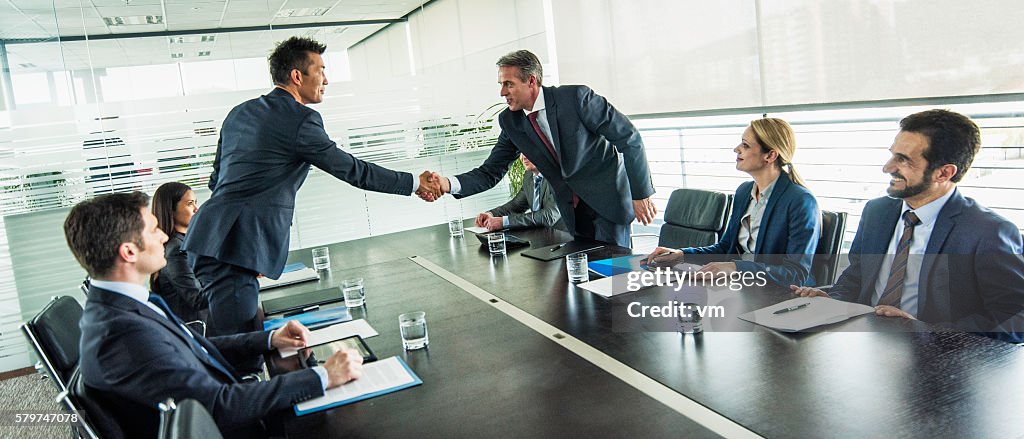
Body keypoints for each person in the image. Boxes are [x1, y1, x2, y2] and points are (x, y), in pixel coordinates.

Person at [181, 37, 442, 351]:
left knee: (244, 336)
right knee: (238, 349)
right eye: (320, 70)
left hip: (214, 238)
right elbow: (353, 171)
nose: (326, 79)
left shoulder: (240, 113)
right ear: (296, 76)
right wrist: (415, 182)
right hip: (233, 249)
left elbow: (216, 180)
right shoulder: (300, 119)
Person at [66, 192, 364, 439]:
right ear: (129, 252)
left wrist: (270, 338)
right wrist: (323, 376)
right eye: (154, 229)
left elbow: (193, 345)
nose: (162, 237)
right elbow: (218, 406)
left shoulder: (123, 305)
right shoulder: (122, 334)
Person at [792, 109, 1024, 342]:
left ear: (944, 173)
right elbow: (856, 277)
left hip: (937, 359)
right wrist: (832, 299)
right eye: (893, 155)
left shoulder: (988, 232)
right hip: (864, 343)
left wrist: (927, 329)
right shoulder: (876, 212)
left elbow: (1015, 320)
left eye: (903, 160)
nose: (888, 167)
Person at [421, 49, 657, 247]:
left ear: (531, 81)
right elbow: (490, 171)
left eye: (508, 84)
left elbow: (629, 138)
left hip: (608, 203)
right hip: (572, 212)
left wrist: (641, 194)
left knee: (614, 278)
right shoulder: (511, 121)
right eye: (501, 84)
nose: (502, 92)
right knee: (585, 281)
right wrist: (447, 184)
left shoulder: (576, 99)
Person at [644, 118, 820, 287]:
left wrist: (736, 268)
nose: (736, 149)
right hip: (739, 288)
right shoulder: (744, 192)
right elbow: (726, 247)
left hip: (775, 296)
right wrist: (682, 255)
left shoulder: (800, 201)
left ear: (770, 155)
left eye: (745, 145)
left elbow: (796, 274)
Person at [150, 182, 207, 323]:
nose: (196, 209)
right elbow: (197, 299)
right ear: (171, 210)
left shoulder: (185, 242)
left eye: (196, 203)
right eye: (190, 204)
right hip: (199, 327)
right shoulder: (176, 250)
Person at [475, 154, 564, 232]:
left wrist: (504, 222)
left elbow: (548, 216)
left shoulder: (558, 177)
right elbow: (516, 205)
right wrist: (491, 214)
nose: (524, 157)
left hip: (565, 239)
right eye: (522, 152)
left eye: (528, 151)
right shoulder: (529, 175)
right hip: (543, 236)